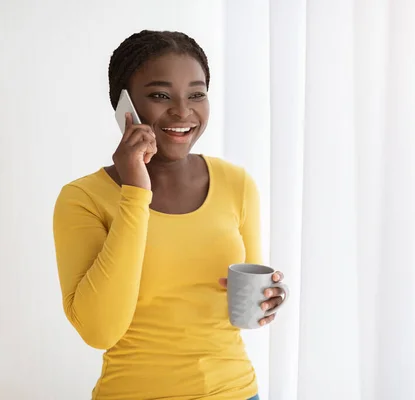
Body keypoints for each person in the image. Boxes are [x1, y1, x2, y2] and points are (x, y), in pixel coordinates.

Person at [52, 30, 285, 400]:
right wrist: (135, 193)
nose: (182, 110)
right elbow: (99, 331)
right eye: (161, 95)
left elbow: (242, 306)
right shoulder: (83, 199)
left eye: (197, 94)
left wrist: (267, 300)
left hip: (237, 391)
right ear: (124, 105)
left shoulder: (237, 184)